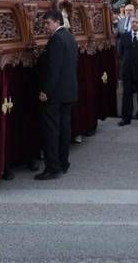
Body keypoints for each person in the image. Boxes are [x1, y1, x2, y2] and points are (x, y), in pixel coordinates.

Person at [35, 10, 78, 180]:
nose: (45, 26)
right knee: (64, 129)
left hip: (55, 94)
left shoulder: (57, 39)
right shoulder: (69, 36)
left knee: (52, 131)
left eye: (48, 23)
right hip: (68, 92)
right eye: (44, 23)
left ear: (57, 21)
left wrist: (46, 91)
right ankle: (63, 163)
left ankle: (53, 168)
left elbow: (54, 69)